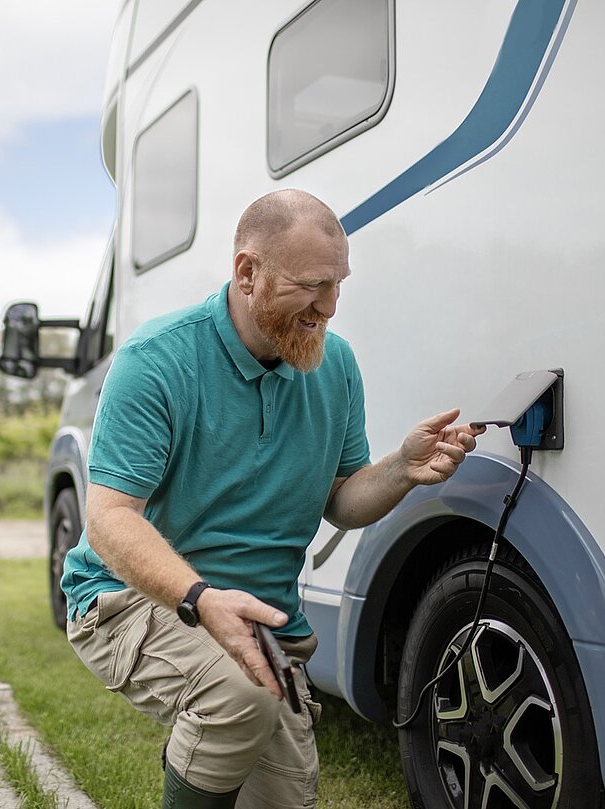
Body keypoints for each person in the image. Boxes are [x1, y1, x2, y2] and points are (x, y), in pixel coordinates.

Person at [61, 189, 483, 808]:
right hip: (132, 597)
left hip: (262, 620)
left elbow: (342, 501)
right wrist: (200, 599)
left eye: (338, 285)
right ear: (247, 273)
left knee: (284, 796)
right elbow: (107, 520)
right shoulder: (156, 361)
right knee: (237, 698)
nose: (330, 307)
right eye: (312, 286)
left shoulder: (335, 366)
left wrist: (401, 469)